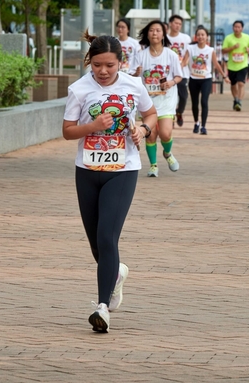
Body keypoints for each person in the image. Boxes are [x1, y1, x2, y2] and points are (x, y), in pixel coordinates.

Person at [62, 32, 158, 333]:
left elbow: (151, 114)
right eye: (97, 65)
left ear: (120, 62)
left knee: (107, 237)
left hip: (123, 169)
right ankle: (115, 274)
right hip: (87, 170)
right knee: (96, 244)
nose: (103, 71)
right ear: (89, 61)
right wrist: (92, 126)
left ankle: (102, 307)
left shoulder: (134, 85)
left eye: (110, 65)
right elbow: (67, 131)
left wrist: (142, 130)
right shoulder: (79, 89)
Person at [131, 20, 183, 177]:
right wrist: (136, 73)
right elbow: (132, 77)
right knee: (151, 134)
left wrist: (170, 83)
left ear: (163, 34)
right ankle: (153, 166)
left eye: (158, 30)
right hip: (147, 102)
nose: (154, 33)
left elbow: (179, 76)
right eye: (151, 30)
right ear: (147, 34)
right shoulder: (140, 55)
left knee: (166, 133)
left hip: (166, 100)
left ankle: (167, 153)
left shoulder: (171, 55)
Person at [182, 26, 228, 135]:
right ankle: (196, 123)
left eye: (203, 35)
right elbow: (184, 62)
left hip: (206, 79)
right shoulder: (190, 48)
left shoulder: (210, 50)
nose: (200, 37)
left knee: (204, 101)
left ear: (207, 37)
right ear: (196, 37)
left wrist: (224, 76)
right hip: (193, 79)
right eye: (198, 35)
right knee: (194, 103)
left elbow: (216, 64)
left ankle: (203, 126)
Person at [222, 20, 249, 111]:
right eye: (235, 27)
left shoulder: (247, 37)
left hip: (243, 65)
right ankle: (235, 100)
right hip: (232, 66)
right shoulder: (228, 38)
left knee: (241, 83)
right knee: (233, 85)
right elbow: (223, 50)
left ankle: (239, 101)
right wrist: (232, 47)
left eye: (238, 27)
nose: (236, 29)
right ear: (233, 28)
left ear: (242, 28)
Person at [166, 14, 192, 127]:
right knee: (169, 97)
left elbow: (188, 54)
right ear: (170, 23)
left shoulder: (186, 38)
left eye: (180, 24)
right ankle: (169, 118)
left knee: (183, 96)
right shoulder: (165, 38)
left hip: (182, 73)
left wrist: (182, 64)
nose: (177, 26)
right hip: (168, 73)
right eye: (176, 23)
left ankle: (179, 112)